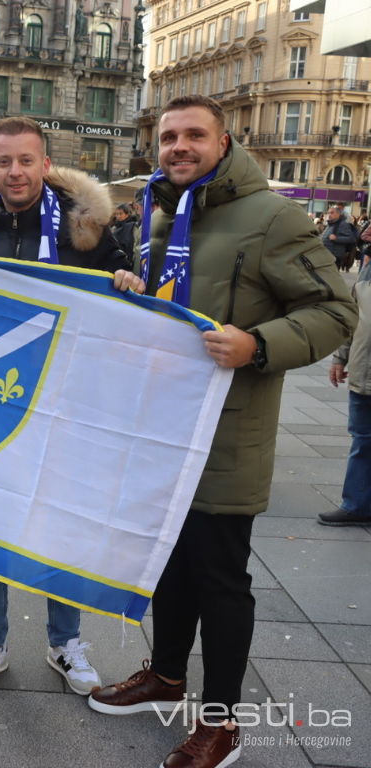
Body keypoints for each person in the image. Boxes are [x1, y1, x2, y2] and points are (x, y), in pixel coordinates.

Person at [87, 95, 356, 768]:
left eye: (193, 135)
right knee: (170, 566)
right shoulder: (163, 213)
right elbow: (175, 308)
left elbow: (336, 309)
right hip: (163, 431)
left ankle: (221, 723)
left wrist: (257, 345)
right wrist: (135, 290)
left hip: (228, 436)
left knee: (220, 579)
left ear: (223, 141)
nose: (178, 146)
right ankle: (167, 677)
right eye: (168, 135)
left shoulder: (273, 216)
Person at [0, 115, 140, 693]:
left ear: (46, 165)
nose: (15, 172)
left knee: (61, 516)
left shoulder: (85, 227)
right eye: (3, 162)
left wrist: (125, 281)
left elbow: (116, 293)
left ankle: (65, 642)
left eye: (26, 160)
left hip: (65, 396)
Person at [321, 263, 371, 527]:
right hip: (363, 374)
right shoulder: (368, 270)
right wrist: (340, 358)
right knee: (363, 440)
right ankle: (357, 504)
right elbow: (354, 317)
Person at [322, 205, 358, 271]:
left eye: (332, 213)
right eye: (328, 213)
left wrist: (336, 239)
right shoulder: (329, 224)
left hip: (334, 258)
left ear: (338, 214)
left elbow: (351, 238)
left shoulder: (343, 224)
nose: (329, 215)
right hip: (326, 256)